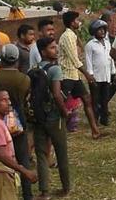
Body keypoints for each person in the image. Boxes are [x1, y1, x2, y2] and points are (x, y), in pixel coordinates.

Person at [0, 44, 33, 200]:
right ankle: (28, 194)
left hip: (0, 121)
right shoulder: (25, 79)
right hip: (18, 121)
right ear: (17, 59)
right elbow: (26, 99)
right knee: (23, 157)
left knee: (1, 157)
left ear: (2, 58)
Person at [0, 89, 38, 200]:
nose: (9, 103)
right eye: (3, 100)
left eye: (8, 99)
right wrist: (24, 171)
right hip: (0, 175)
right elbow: (2, 155)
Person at [32, 37, 71, 198]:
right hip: (54, 116)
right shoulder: (55, 70)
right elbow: (56, 94)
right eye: (52, 48)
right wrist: (64, 111)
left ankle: (44, 191)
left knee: (41, 154)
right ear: (43, 51)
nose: (56, 50)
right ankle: (66, 187)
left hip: (39, 116)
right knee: (61, 152)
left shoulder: (34, 69)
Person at [57, 11, 102, 139]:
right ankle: (56, 130)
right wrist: (87, 74)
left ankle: (95, 131)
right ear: (72, 23)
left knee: (87, 99)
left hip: (73, 74)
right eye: (77, 20)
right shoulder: (67, 36)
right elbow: (74, 59)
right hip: (67, 74)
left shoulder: (73, 35)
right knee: (61, 104)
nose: (79, 22)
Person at [85, 19, 114, 127]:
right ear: (94, 31)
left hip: (106, 76)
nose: (102, 32)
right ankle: (95, 119)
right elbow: (88, 60)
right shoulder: (90, 45)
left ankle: (104, 118)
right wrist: (90, 75)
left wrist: (113, 71)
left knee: (105, 98)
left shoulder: (107, 43)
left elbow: (110, 58)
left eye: (103, 30)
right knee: (95, 99)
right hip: (96, 76)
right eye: (99, 30)